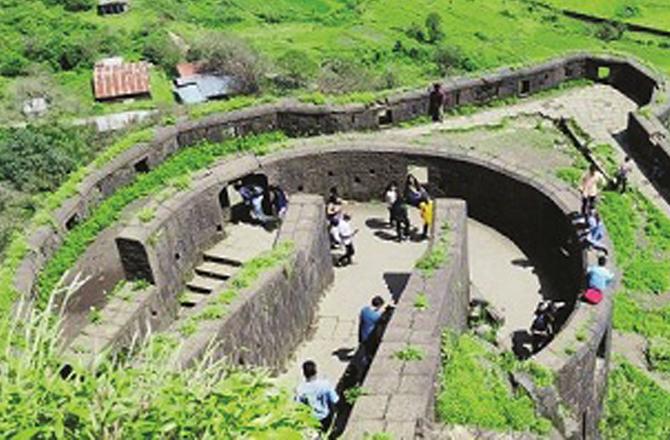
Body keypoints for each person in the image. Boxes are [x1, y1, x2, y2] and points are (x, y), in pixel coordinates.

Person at [295, 360, 339, 433]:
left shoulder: (300, 389)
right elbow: (335, 399)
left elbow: (297, 406)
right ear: (316, 371)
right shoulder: (325, 384)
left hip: (311, 420)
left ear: (304, 373)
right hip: (326, 416)